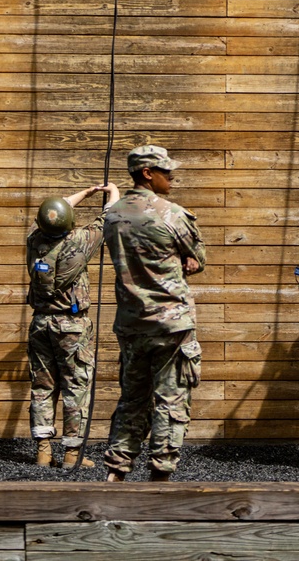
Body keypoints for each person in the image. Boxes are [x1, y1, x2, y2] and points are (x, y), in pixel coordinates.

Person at [102, 145, 206, 482]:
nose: (172, 177)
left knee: (132, 399)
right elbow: (198, 258)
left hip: (132, 323)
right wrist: (178, 262)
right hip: (170, 325)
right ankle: (160, 475)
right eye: (166, 171)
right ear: (147, 173)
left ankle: (116, 471)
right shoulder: (171, 214)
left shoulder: (112, 215)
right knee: (171, 400)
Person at [26, 181, 120, 468]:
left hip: (40, 324)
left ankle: (43, 451)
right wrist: (110, 190)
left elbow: (53, 212)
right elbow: (110, 215)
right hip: (72, 327)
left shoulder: (35, 242)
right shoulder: (79, 242)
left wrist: (85, 192)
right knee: (76, 386)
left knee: (43, 386)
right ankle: (71, 454)